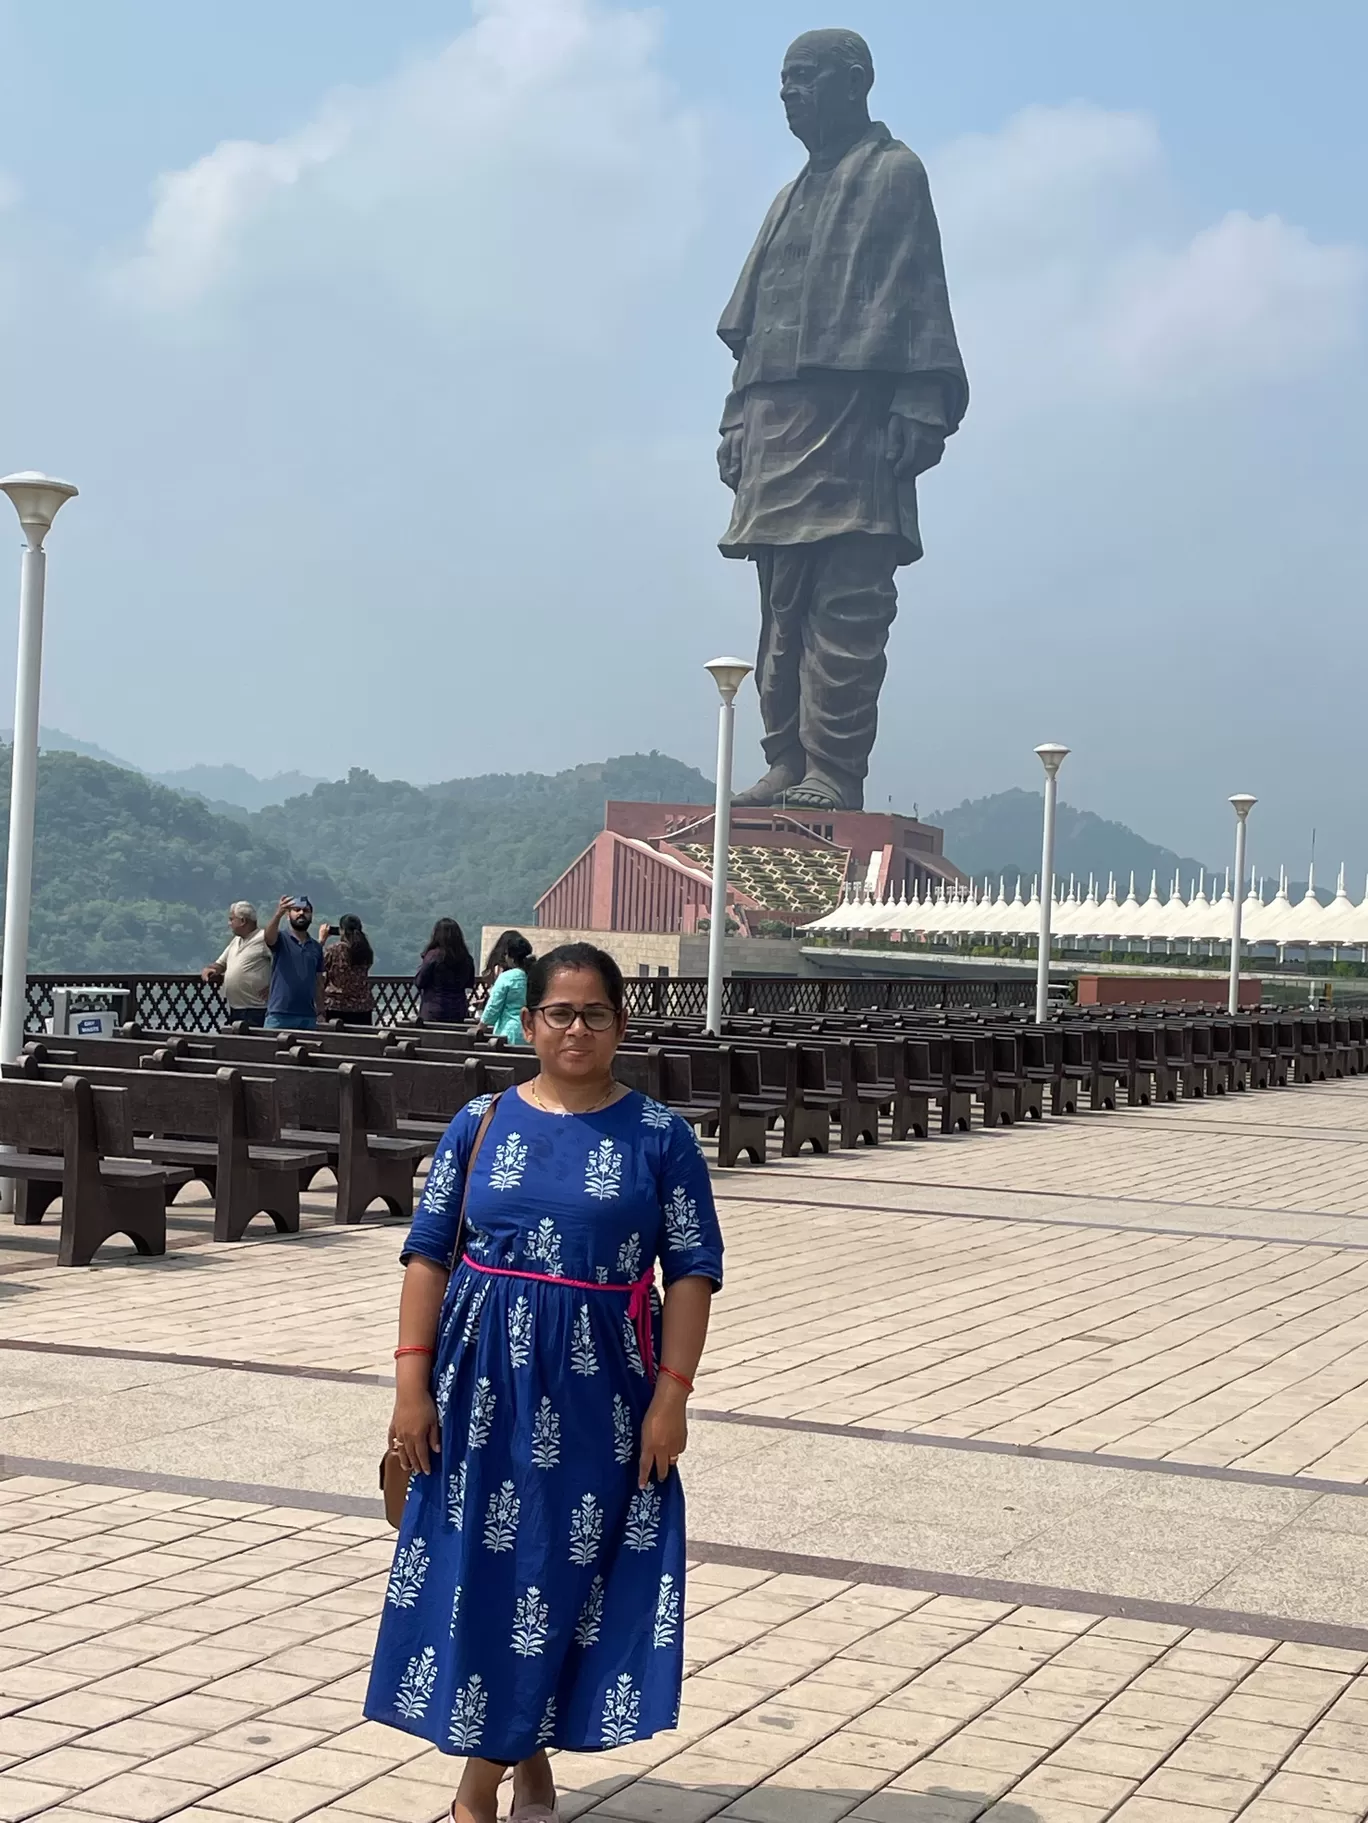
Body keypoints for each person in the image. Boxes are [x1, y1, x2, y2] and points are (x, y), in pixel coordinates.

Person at [365, 942, 722, 1823]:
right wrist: (410, 1388)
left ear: (621, 1025)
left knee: (566, 1577)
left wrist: (671, 1397)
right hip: (478, 1387)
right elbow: (426, 1256)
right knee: (484, 1574)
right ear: (528, 1023)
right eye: (558, 1012)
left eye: (594, 1012)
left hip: (601, 1398)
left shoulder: (660, 1138)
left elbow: (692, 1271)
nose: (575, 1027)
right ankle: (518, 1761)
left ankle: (475, 1785)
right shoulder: (480, 1120)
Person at [717, 29, 967, 811]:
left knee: (849, 604)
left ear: (855, 84)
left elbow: (918, 295)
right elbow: (750, 332)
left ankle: (834, 769)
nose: (788, 95)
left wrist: (920, 401)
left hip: (855, 424)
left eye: (804, 79)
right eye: (782, 82)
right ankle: (785, 757)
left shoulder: (895, 174)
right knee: (780, 607)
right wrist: (734, 422)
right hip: (775, 425)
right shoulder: (786, 196)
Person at [201, 902, 271, 1028]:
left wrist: (274, 986)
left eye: (231, 919)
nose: (229, 924)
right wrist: (211, 969)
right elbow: (221, 963)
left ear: (243, 921)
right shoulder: (236, 941)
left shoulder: (264, 938)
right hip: (236, 1008)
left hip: (257, 1009)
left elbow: (283, 964)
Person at [262, 894, 325, 1031]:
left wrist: (320, 1011)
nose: (301, 913)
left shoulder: (316, 947)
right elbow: (268, 937)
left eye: (306, 911)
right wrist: (278, 914)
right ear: (288, 915)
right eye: (296, 910)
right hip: (279, 1014)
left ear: (311, 916)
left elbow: (319, 981)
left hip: (308, 1016)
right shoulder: (281, 939)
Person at [416, 919, 477, 1024]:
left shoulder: (433, 956)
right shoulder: (467, 959)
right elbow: (469, 983)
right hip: (458, 1011)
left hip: (433, 1011)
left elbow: (420, 981)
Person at [320, 913, 376, 1026]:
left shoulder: (334, 950)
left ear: (342, 930)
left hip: (336, 1006)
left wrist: (321, 940)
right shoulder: (366, 952)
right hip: (363, 1007)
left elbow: (316, 963)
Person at [479, 930, 533, 1046]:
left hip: (509, 1031)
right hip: (530, 1031)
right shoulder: (534, 975)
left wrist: (481, 1026)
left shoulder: (507, 977)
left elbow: (494, 1006)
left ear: (512, 958)